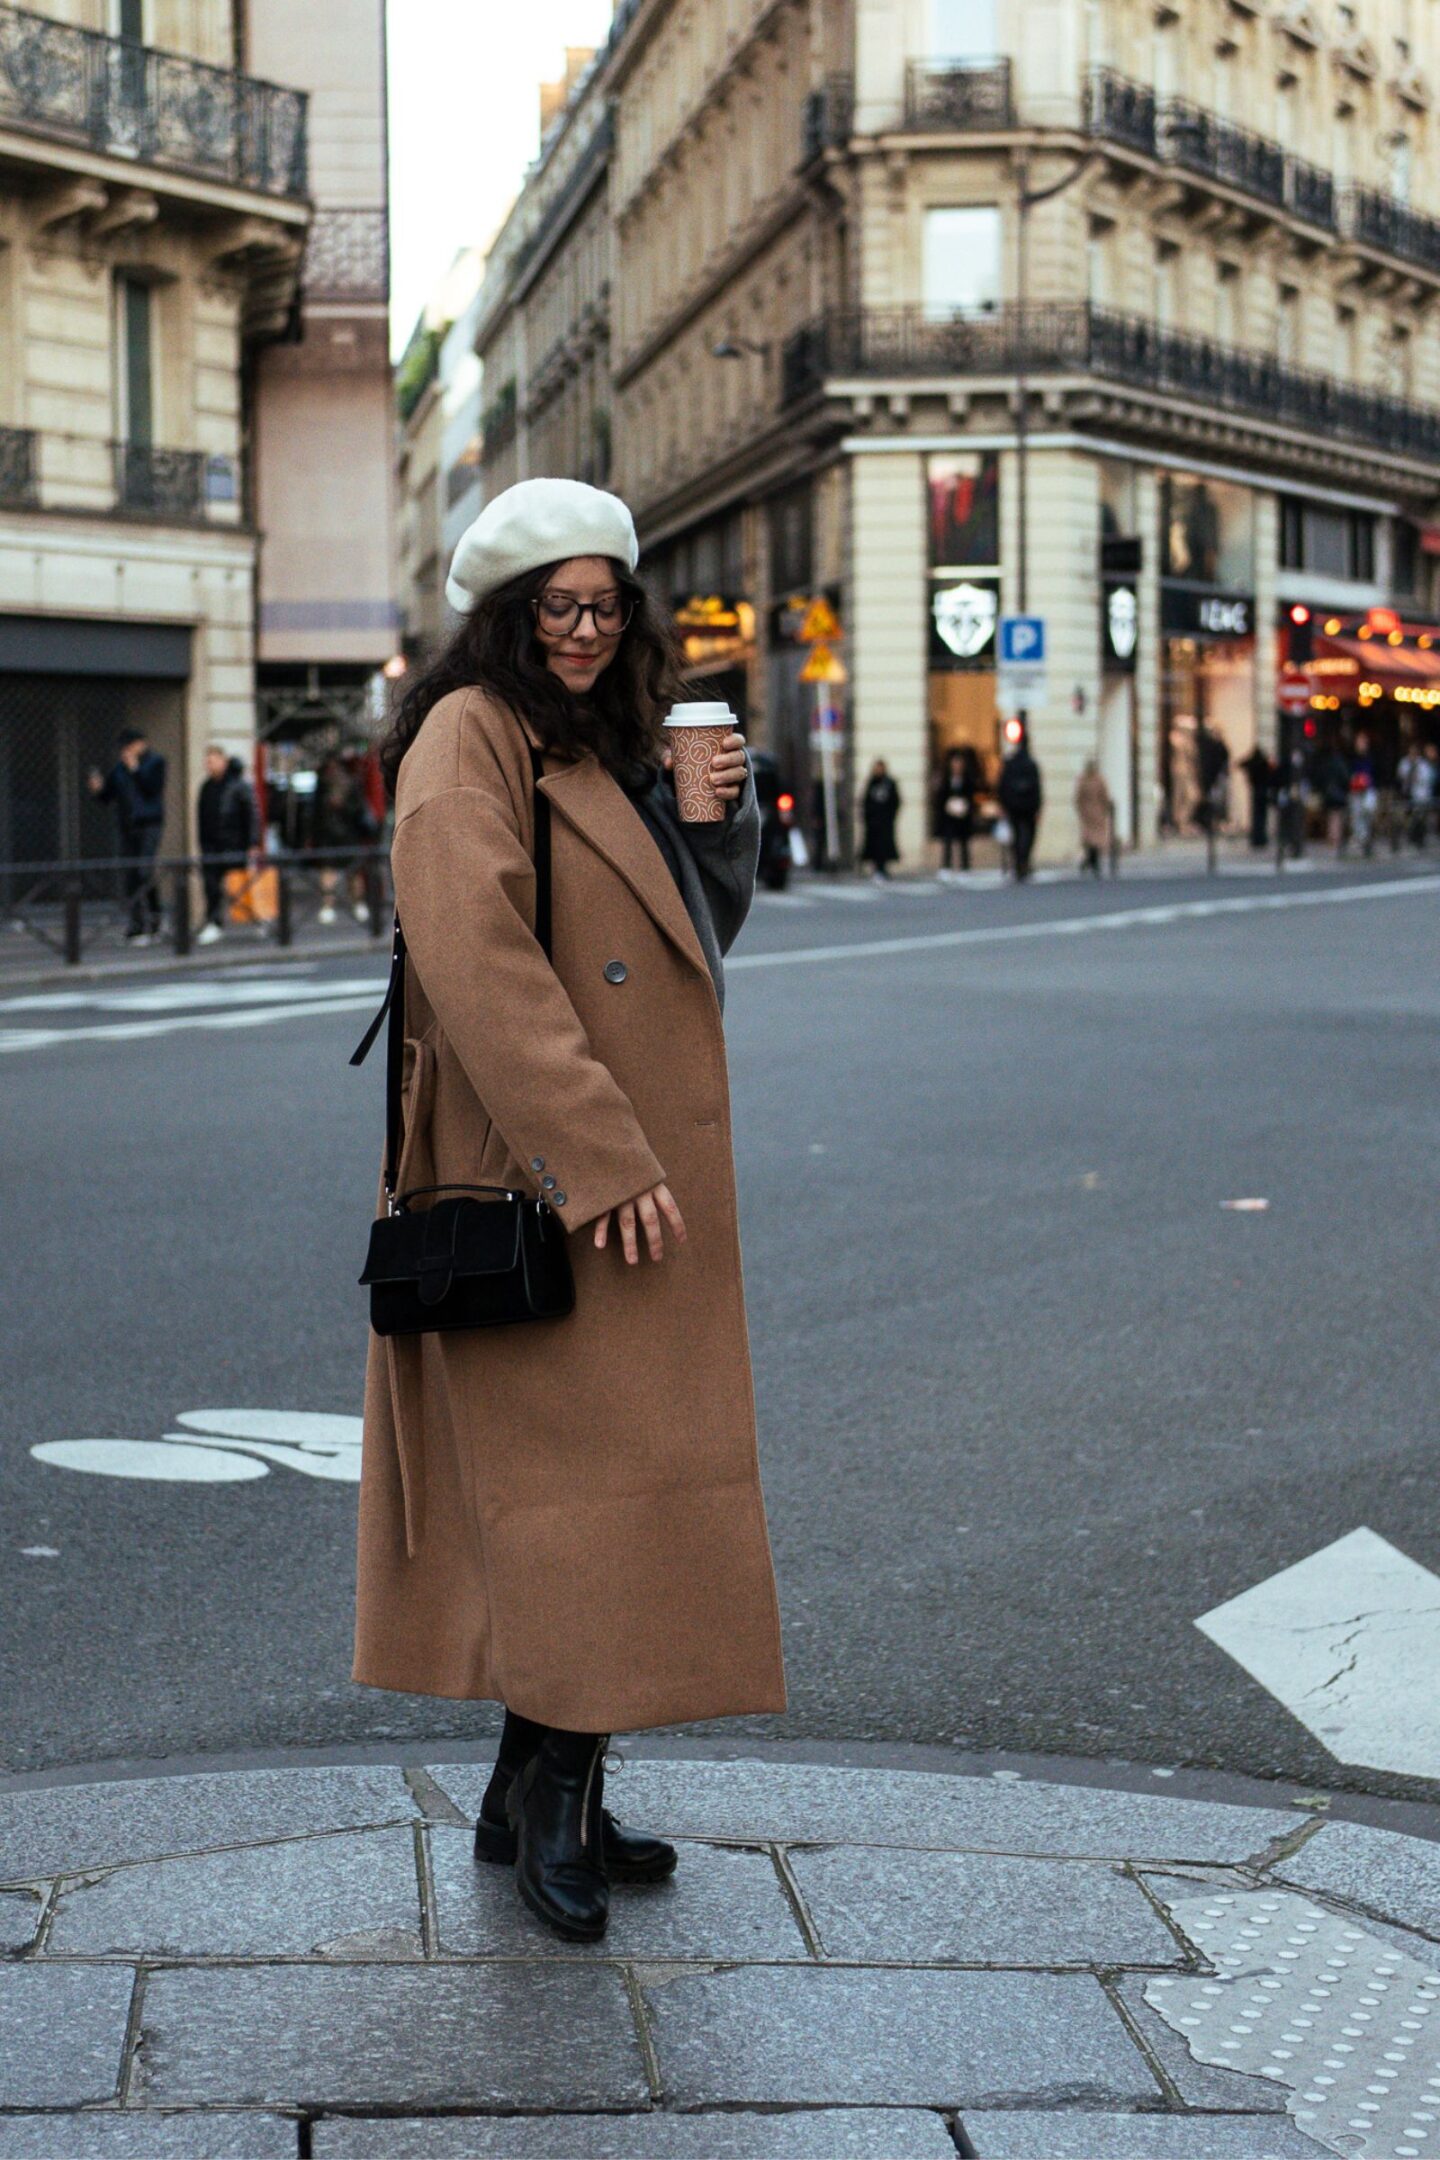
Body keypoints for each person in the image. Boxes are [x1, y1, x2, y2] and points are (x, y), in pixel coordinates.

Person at [354, 477, 786, 1945]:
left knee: (605, 1495)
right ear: (509, 612)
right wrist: (596, 1158)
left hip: (623, 1170)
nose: (591, 630)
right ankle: (552, 1810)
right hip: (549, 1173)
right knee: (578, 1500)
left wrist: (711, 834)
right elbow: (476, 965)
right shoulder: (467, 733)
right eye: (562, 607)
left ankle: (533, 1796)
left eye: (608, 604)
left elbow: (680, 949)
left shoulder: (591, 737)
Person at [87, 726, 166, 942]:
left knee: (144, 871)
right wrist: (97, 789)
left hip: (149, 824)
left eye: (129, 746)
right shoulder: (119, 770)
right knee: (130, 875)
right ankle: (137, 923)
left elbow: (152, 789)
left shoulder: (155, 763)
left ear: (141, 744)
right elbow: (107, 797)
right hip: (127, 826)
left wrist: (136, 769)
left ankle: (155, 919)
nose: (125, 751)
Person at [195, 746, 259, 945]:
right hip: (211, 845)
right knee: (211, 886)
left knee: (242, 884)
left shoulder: (238, 785)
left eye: (212, 760)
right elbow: (202, 817)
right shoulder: (206, 786)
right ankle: (214, 923)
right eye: (207, 761)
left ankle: (259, 919)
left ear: (223, 761)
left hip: (234, 844)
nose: (209, 765)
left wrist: (253, 842)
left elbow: (252, 813)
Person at [313, 754, 379, 924]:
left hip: (344, 835)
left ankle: (351, 905)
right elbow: (315, 813)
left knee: (348, 873)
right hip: (335, 836)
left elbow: (357, 810)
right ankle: (335, 906)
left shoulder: (342, 785)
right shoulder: (325, 785)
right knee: (336, 873)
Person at [998, 726, 1043, 879]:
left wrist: (1003, 804)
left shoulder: (1010, 763)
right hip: (1028, 806)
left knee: (1017, 835)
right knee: (1028, 835)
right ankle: (1023, 861)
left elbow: (1002, 786)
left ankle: (1019, 862)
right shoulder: (1031, 764)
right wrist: (1038, 807)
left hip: (1014, 805)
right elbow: (1037, 788)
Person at [934, 745, 981, 880]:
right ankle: (946, 867)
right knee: (947, 842)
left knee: (963, 842)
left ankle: (965, 867)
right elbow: (940, 797)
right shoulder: (946, 779)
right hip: (949, 816)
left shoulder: (967, 779)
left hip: (963, 816)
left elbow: (972, 795)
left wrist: (965, 806)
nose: (957, 766)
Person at [859, 758, 901, 882]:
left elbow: (895, 801)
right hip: (873, 822)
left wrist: (891, 817)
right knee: (874, 847)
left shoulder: (890, 783)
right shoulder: (871, 782)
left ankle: (883, 869)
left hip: (885, 822)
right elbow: (866, 801)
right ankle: (876, 869)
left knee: (884, 847)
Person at [1074, 758, 1112, 877]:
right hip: (1097, 812)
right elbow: (1104, 795)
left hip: (1087, 812)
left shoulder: (1083, 780)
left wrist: (1081, 809)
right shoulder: (1099, 780)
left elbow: (1078, 797)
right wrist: (1105, 808)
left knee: (1090, 838)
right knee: (1096, 838)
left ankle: (1090, 861)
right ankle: (1092, 861)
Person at [1397, 740, 1436, 849]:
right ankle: (1410, 837)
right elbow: (1401, 776)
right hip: (1407, 795)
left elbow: (1426, 779)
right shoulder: (1404, 763)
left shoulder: (1423, 764)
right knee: (1408, 819)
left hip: (1420, 796)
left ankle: (1420, 839)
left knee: (1420, 818)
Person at [1347, 729, 1377, 856]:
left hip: (1369, 789)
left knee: (1368, 811)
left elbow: (1375, 771)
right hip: (1355, 790)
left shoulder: (1372, 756)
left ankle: (1367, 839)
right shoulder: (1352, 756)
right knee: (1356, 815)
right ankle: (1360, 839)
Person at [1241, 744, 1275, 850]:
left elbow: (1242, 764)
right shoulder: (1263, 762)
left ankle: (1257, 838)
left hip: (1257, 790)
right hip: (1262, 790)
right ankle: (1260, 839)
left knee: (1257, 816)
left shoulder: (1254, 762)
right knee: (1261, 816)